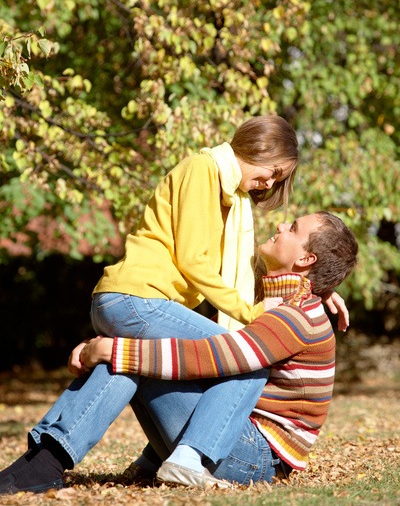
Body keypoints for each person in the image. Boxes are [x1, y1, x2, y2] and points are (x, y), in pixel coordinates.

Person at [0, 211, 358, 494]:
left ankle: (45, 463)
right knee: (136, 354)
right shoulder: (285, 304)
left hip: (252, 457)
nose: (280, 225)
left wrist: (111, 350)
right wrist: (322, 288)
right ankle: (47, 461)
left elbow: (215, 357)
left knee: (146, 358)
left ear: (306, 258)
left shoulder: (297, 316)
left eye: (293, 228)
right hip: (237, 440)